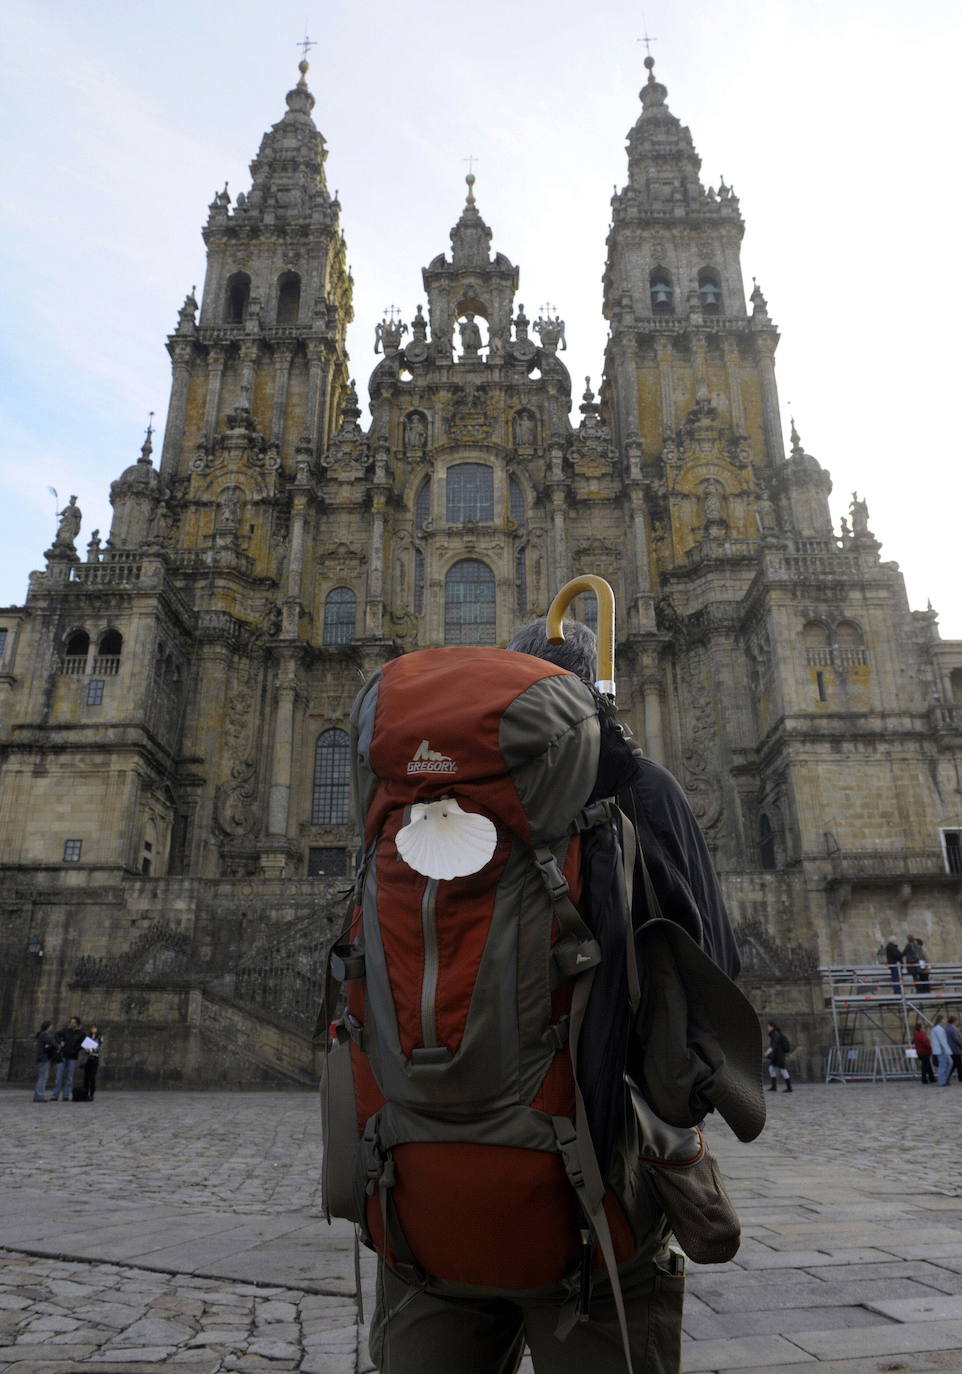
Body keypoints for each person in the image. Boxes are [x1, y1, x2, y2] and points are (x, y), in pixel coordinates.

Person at [368, 618, 743, 1374]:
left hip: (423, 1200)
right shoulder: (637, 783)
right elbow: (710, 980)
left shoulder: (412, 792)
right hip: (590, 1201)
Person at [51, 1016, 84, 1101]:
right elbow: (56, 1035)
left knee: (69, 1077)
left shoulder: (81, 1033)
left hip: (72, 1057)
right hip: (63, 1055)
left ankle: (66, 1095)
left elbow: (84, 1044)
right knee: (59, 1076)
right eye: (70, 1022)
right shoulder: (65, 1030)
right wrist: (60, 1041)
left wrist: (76, 1049)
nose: (71, 1023)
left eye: (73, 1022)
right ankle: (55, 1095)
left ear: (77, 1024)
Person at [33, 1020, 59, 1102]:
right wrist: (57, 1045)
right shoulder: (45, 1034)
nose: (51, 1028)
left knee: (41, 1077)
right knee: (43, 1078)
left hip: (41, 1058)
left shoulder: (41, 1034)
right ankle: (39, 1096)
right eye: (51, 1026)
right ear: (48, 1026)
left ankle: (37, 1096)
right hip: (44, 1058)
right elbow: (53, 1043)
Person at [766, 1022, 793, 1092]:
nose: (767, 1028)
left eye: (768, 1026)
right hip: (777, 1055)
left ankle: (789, 1087)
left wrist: (767, 1053)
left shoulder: (775, 1034)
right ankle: (774, 1087)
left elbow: (773, 1046)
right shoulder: (775, 1034)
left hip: (779, 1056)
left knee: (783, 1070)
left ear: (772, 1027)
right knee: (771, 1068)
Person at [81, 1025, 103, 1101]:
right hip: (87, 1058)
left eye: (94, 1028)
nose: (93, 1029)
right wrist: (86, 1048)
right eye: (92, 1028)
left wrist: (92, 1049)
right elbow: (84, 1045)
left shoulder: (99, 1037)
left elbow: (99, 1047)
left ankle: (91, 1094)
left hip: (94, 1058)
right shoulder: (88, 1037)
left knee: (92, 1077)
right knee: (86, 1077)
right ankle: (85, 1093)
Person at [930, 1015, 953, 1086]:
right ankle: (942, 1081)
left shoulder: (938, 1028)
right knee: (943, 1066)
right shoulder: (939, 1029)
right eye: (945, 1019)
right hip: (942, 1050)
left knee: (949, 1063)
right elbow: (942, 1041)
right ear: (941, 1020)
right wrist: (948, 1050)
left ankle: (944, 1080)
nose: (946, 1021)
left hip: (941, 1049)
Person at [946, 1016, 962, 1084]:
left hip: (952, 1049)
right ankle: (959, 1077)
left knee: (955, 1064)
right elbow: (956, 1039)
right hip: (955, 1049)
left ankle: (949, 1077)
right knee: (957, 1064)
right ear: (954, 1021)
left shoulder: (947, 1028)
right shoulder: (953, 1028)